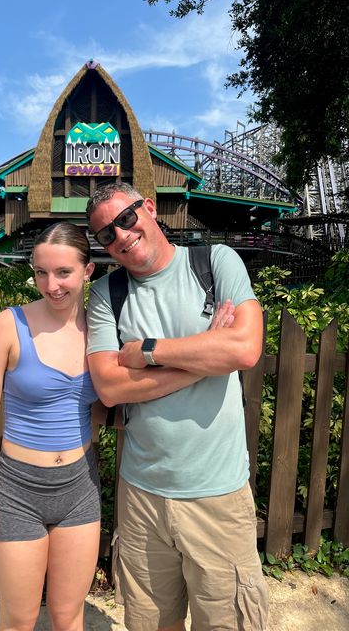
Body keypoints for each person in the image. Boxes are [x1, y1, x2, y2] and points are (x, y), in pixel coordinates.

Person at [85, 182, 269, 631]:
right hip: (142, 495)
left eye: (126, 218)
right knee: (149, 623)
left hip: (217, 494)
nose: (121, 236)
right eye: (107, 234)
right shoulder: (107, 293)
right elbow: (110, 386)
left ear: (148, 207)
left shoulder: (215, 262)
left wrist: (148, 351)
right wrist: (206, 355)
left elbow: (244, 349)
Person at [0, 222, 101, 631]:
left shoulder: (101, 328)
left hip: (80, 488)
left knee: (68, 616)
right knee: (19, 620)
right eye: (41, 272)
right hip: (19, 491)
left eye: (63, 273)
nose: (51, 284)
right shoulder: (10, 325)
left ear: (87, 271)